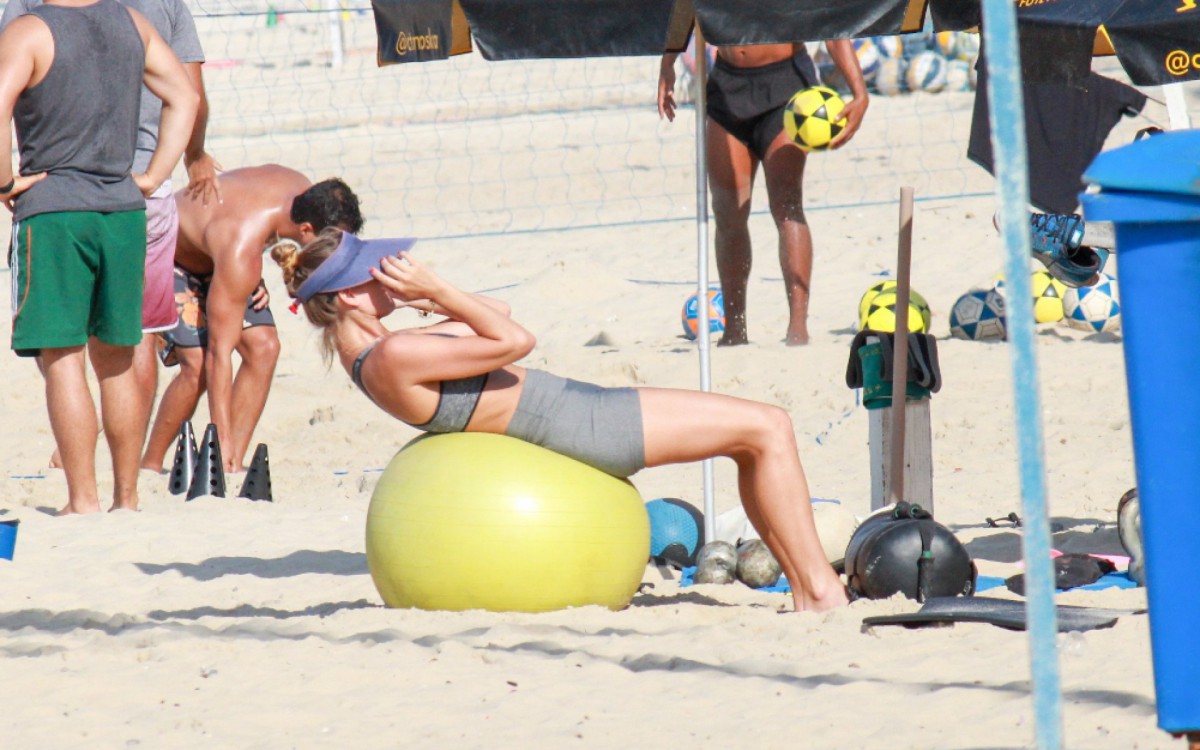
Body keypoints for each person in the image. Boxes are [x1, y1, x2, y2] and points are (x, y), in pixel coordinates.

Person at [273, 228, 849, 613]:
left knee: (753, 441)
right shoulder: (394, 358)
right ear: (348, 297)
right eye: (378, 271)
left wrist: (431, 300)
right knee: (768, 427)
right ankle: (820, 590)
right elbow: (516, 339)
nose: (392, 273)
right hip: (590, 427)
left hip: (583, 412)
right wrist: (438, 289)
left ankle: (807, 589)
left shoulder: (385, 350)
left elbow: (495, 315)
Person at [2, 0, 221, 468]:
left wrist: (3, 182)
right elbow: (187, 96)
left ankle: (82, 495)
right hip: (127, 205)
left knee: (64, 359)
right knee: (123, 352)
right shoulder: (137, 21)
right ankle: (127, 494)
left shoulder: (27, 25)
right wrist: (157, 173)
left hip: (55, 205)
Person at [140, 166, 363, 473]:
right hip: (168, 252)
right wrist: (221, 433)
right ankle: (152, 464)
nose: (331, 255)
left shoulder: (304, 191)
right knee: (199, 364)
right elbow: (221, 353)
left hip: (224, 255)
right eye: (329, 246)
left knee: (265, 347)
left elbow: (248, 246)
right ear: (307, 230)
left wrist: (253, 275)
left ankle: (230, 464)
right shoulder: (242, 242)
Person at [658, 42, 868, 346]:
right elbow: (685, 9)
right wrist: (668, 62)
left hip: (786, 86)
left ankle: (798, 327)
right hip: (728, 85)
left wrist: (859, 92)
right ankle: (734, 327)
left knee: (786, 205)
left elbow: (832, 25)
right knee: (728, 212)